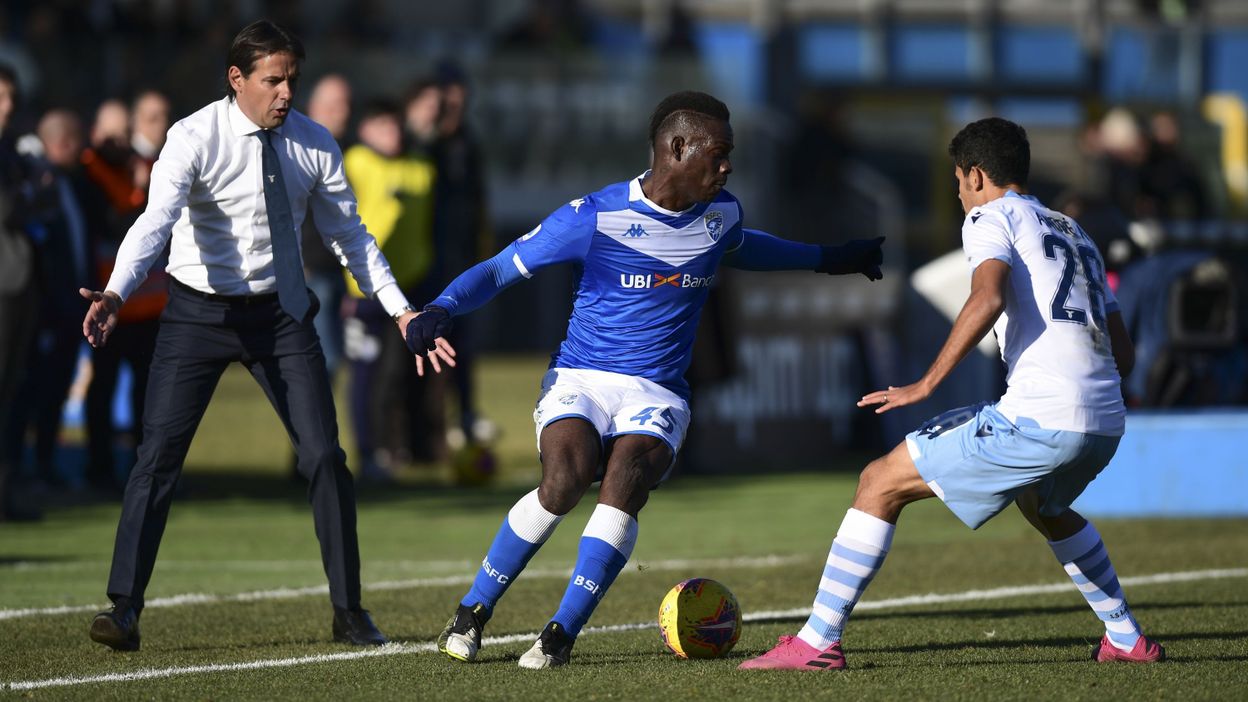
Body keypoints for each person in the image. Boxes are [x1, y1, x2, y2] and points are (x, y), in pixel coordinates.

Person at [405, 90, 884, 668]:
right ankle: (473, 611)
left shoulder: (722, 213)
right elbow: (502, 267)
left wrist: (829, 258)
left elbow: (741, 248)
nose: (728, 166)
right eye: (720, 152)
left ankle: (559, 634)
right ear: (677, 148)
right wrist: (440, 309)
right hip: (582, 376)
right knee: (564, 479)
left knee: (625, 478)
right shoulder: (595, 215)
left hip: (658, 391)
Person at [78, 20, 453, 652]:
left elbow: (351, 239)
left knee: (325, 458)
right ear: (237, 79)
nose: (284, 93)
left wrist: (401, 311)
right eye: (272, 80)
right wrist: (116, 291)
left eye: (291, 80)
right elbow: (155, 223)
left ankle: (349, 611)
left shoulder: (314, 144)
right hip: (196, 315)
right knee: (156, 458)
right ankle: (124, 610)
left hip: (282, 318)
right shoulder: (192, 136)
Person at [739, 117, 1164, 671]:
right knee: (1045, 505)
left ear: (977, 175)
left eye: (959, 182)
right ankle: (1127, 639)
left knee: (878, 482)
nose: (960, 195)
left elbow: (984, 298)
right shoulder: (1074, 230)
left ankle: (817, 642)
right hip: (1105, 423)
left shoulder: (991, 216)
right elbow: (1123, 354)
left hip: (1044, 416)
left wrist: (925, 384)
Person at [4, 109, 105, 490]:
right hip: (42, 308)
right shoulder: (35, 181)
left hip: (70, 308)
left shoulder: (71, 185)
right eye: (78, 142)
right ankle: (17, 470)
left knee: (56, 390)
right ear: (63, 142)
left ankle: (43, 465)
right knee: (28, 392)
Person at [341, 98, 438, 479]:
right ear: (364, 130)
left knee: (403, 374)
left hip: (412, 285)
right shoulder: (355, 163)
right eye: (381, 125)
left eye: (394, 125)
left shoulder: (421, 168)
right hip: (364, 291)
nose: (391, 133)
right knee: (363, 373)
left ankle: (407, 448)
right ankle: (367, 452)